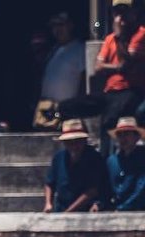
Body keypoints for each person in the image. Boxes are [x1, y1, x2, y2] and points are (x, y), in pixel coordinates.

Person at [93, 0, 145, 132]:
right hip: (110, 91)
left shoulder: (141, 33)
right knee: (71, 107)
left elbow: (126, 63)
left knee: (111, 118)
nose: (121, 17)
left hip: (132, 89)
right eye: (117, 12)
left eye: (125, 12)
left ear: (134, 13)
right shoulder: (110, 38)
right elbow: (97, 68)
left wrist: (120, 37)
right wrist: (116, 68)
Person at [44, 119, 107, 213]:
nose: (74, 146)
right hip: (61, 209)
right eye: (69, 142)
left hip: (85, 211)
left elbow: (92, 190)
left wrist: (69, 212)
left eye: (77, 141)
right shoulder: (58, 158)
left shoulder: (95, 158)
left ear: (84, 141)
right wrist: (48, 203)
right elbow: (49, 183)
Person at [37, 11, 85, 124]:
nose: (57, 29)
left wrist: (78, 105)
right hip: (47, 109)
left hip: (68, 111)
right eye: (54, 26)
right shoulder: (53, 50)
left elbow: (84, 78)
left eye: (61, 25)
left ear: (70, 26)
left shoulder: (79, 49)